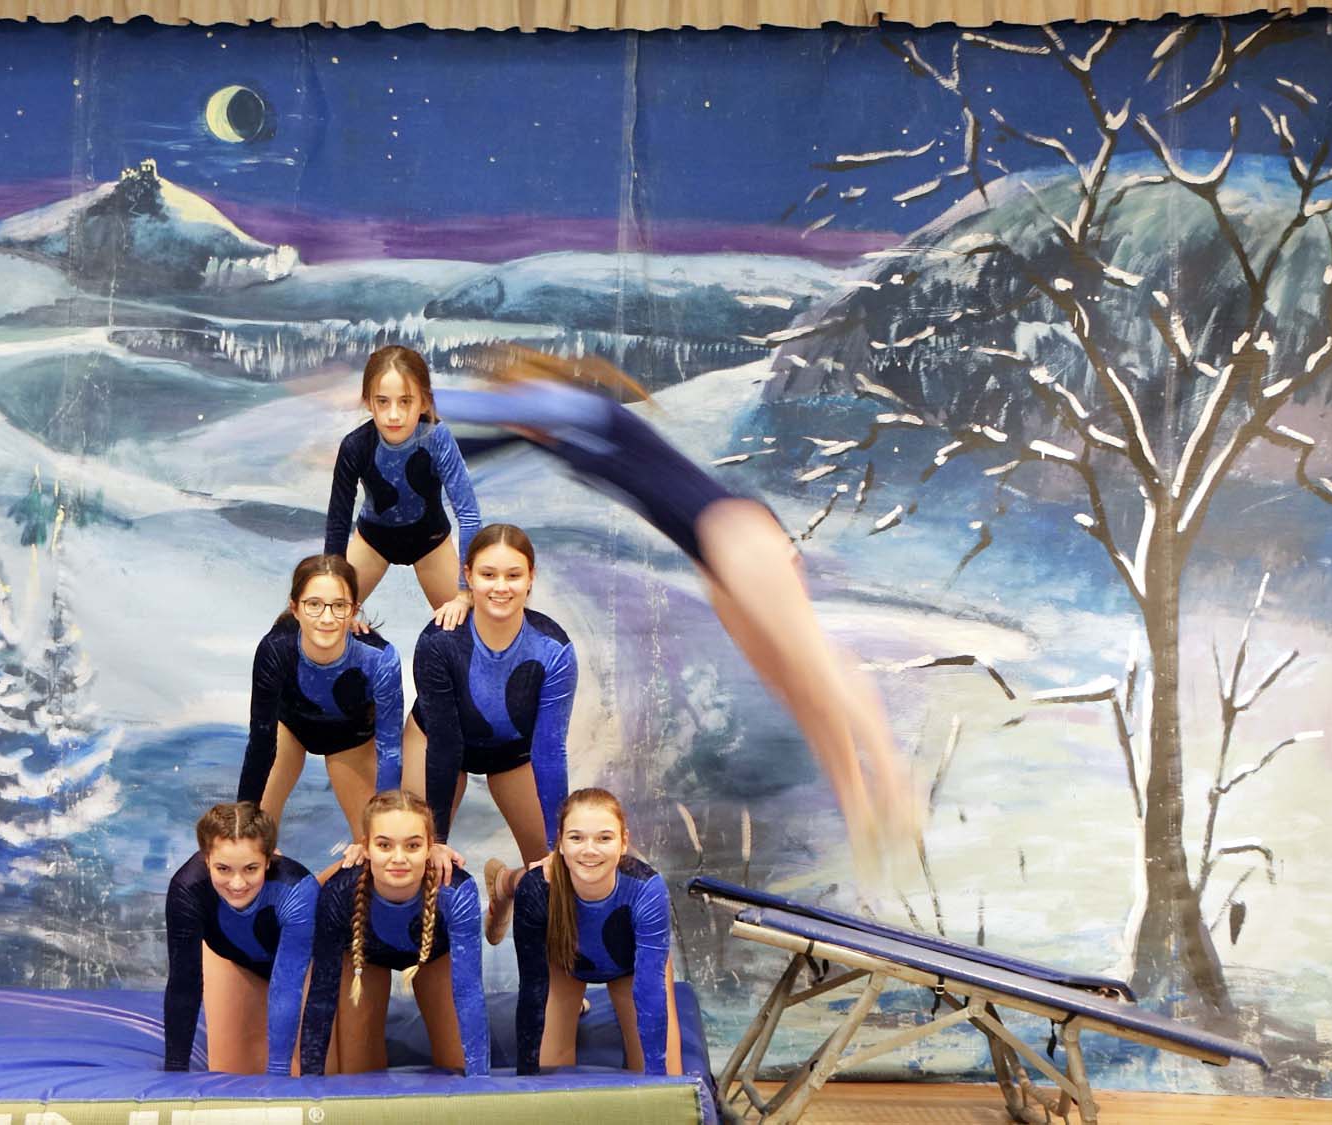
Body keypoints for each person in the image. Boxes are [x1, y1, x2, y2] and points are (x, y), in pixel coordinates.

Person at [438, 345, 916, 875]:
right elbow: (473, 449)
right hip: (715, 557)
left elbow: (489, 412)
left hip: (734, 532)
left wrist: (402, 396)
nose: (516, 421)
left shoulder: (585, 410)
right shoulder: (557, 436)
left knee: (816, 667)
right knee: (796, 687)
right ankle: (858, 806)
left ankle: (894, 783)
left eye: (515, 405)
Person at [406, 523, 575, 938]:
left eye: (513, 575)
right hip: (434, 741)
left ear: (531, 578)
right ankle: (419, 960)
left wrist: (556, 844)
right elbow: (444, 744)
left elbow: (549, 750)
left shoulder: (553, 649)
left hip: (513, 753)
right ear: (468, 576)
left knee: (556, 875)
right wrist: (436, 838)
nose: (501, 587)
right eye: (488, 574)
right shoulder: (440, 641)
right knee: (415, 856)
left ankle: (506, 885)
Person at [300, 790, 490, 1076]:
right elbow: (321, 997)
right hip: (364, 955)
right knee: (357, 1077)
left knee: (462, 1067)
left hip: (435, 955)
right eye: (384, 845)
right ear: (366, 847)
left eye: (413, 845)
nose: (398, 858)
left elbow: (469, 993)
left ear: (430, 847)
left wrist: (480, 1081)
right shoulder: (341, 892)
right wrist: (309, 1082)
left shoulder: (453, 890)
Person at [511, 788, 679, 1076]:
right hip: (565, 962)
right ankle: (505, 881)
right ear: (560, 843)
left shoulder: (646, 889)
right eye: (576, 838)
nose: (590, 850)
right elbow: (531, 991)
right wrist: (528, 1083)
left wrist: (660, 1086)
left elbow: (650, 992)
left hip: (632, 966)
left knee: (659, 1072)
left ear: (623, 842)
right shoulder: (536, 889)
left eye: (604, 838)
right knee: (548, 1076)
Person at [238, 555, 403, 836]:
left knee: (376, 839)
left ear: (354, 610)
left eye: (339, 606)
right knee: (253, 834)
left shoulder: (379, 659)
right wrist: (243, 822)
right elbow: (261, 743)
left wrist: (388, 825)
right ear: (295, 608)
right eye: (314, 604)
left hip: (350, 738)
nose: (327, 618)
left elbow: (390, 751)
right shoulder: (275, 649)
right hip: (290, 729)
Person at [326, 346, 481, 630]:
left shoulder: (436, 438)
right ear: (368, 402)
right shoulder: (356, 446)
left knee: (469, 626)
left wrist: (464, 593)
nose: (393, 415)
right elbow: (338, 523)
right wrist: (333, 597)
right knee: (325, 616)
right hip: (373, 541)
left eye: (405, 401)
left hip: (430, 541)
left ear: (424, 402)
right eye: (383, 402)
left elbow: (469, 516)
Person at [163, 802, 317, 1075]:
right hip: (234, 960)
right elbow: (183, 983)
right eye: (223, 869)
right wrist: (174, 1072)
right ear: (206, 859)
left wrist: (278, 1075)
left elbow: (287, 985)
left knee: (306, 1071)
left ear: (269, 860)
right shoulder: (187, 889)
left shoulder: (296, 889)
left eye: (250, 868)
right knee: (230, 1077)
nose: (237, 883)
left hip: (303, 967)